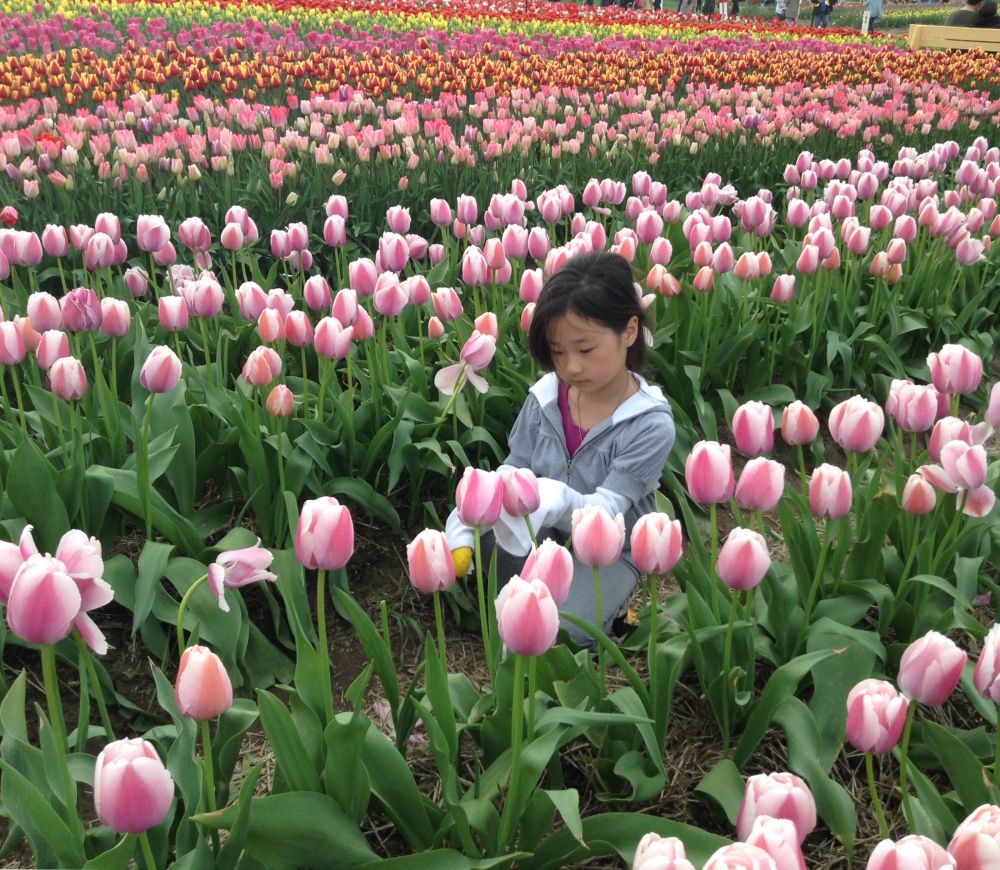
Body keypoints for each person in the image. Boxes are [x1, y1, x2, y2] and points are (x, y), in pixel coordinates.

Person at [446, 251, 676, 646]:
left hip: (607, 549)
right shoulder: (546, 398)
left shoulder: (649, 424)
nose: (570, 367)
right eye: (557, 351)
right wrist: (481, 501)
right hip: (542, 529)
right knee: (477, 532)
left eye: (585, 350)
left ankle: (612, 612)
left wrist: (556, 499)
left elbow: (607, 510)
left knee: (559, 631)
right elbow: (516, 464)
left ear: (629, 330)